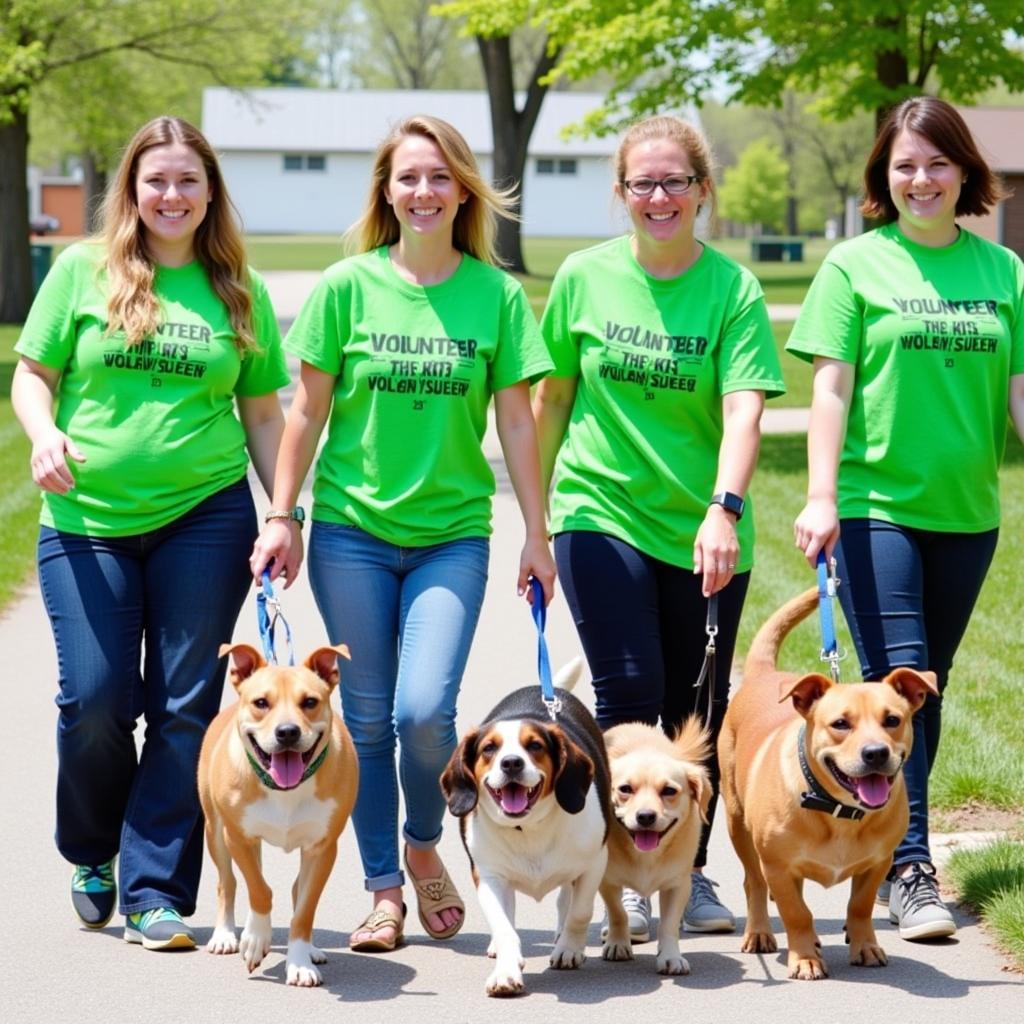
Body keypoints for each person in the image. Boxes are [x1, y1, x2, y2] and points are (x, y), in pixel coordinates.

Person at [250, 115, 555, 952]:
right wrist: (283, 516)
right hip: (350, 530)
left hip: (452, 534)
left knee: (427, 715)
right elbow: (304, 412)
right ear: (387, 190)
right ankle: (384, 887)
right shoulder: (347, 286)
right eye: (407, 177)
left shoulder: (494, 295)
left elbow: (519, 426)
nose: (424, 191)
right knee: (371, 719)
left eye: (439, 177)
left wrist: (537, 532)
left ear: (464, 190)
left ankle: (426, 840)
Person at [12, 116, 289, 950]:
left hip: (205, 516)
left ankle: (157, 890)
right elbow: (33, 374)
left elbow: (266, 413)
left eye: (188, 182)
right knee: (94, 701)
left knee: (184, 706)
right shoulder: (80, 273)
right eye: (156, 181)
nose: (172, 195)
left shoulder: (238, 289)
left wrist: (281, 513)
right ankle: (93, 851)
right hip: (86, 519)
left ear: (210, 194)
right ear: (132, 189)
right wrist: (42, 433)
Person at [533, 115, 785, 941]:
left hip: (702, 526)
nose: (659, 196)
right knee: (631, 692)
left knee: (695, 715)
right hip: (598, 509)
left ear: (702, 190)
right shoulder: (583, 277)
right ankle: (619, 870)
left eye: (675, 181)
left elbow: (745, 406)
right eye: (642, 183)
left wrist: (725, 508)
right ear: (621, 193)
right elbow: (553, 402)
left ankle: (685, 873)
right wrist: (537, 525)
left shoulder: (731, 289)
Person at [789, 95, 1024, 942]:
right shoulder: (855, 265)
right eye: (904, 166)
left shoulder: (1003, 273)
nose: (920, 179)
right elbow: (830, 386)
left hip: (968, 512)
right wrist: (820, 495)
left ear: (964, 171)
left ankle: (886, 835)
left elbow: (1018, 388)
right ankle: (911, 867)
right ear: (883, 179)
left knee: (920, 691)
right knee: (902, 666)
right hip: (873, 505)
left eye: (935, 163)